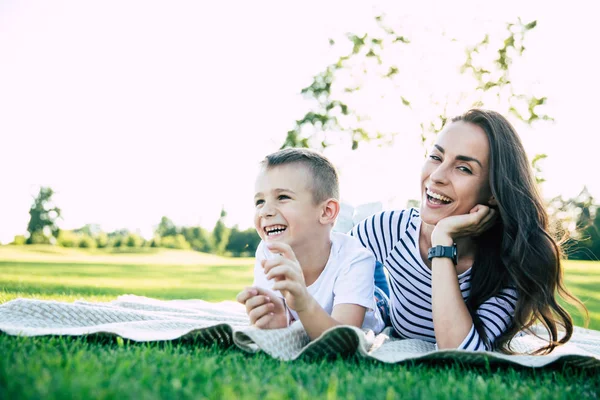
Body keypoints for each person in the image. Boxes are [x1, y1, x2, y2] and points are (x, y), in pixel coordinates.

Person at [351, 109, 587, 354]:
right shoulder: (389, 229)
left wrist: (442, 239)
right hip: (381, 296)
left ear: (494, 192)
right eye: (435, 156)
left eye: (463, 168)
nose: (437, 176)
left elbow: (461, 351)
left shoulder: (509, 265)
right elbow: (322, 276)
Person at [236, 148, 385, 340]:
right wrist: (277, 318)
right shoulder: (267, 251)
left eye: (282, 197)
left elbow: (344, 339)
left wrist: (303, 303)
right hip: (331, 245)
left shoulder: (355, 258)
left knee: (375, 277)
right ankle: (342, 222)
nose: (265, 211)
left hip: (378, 301)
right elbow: (279, 315)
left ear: (326, 211)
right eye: (260, 201)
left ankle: (357, 219)